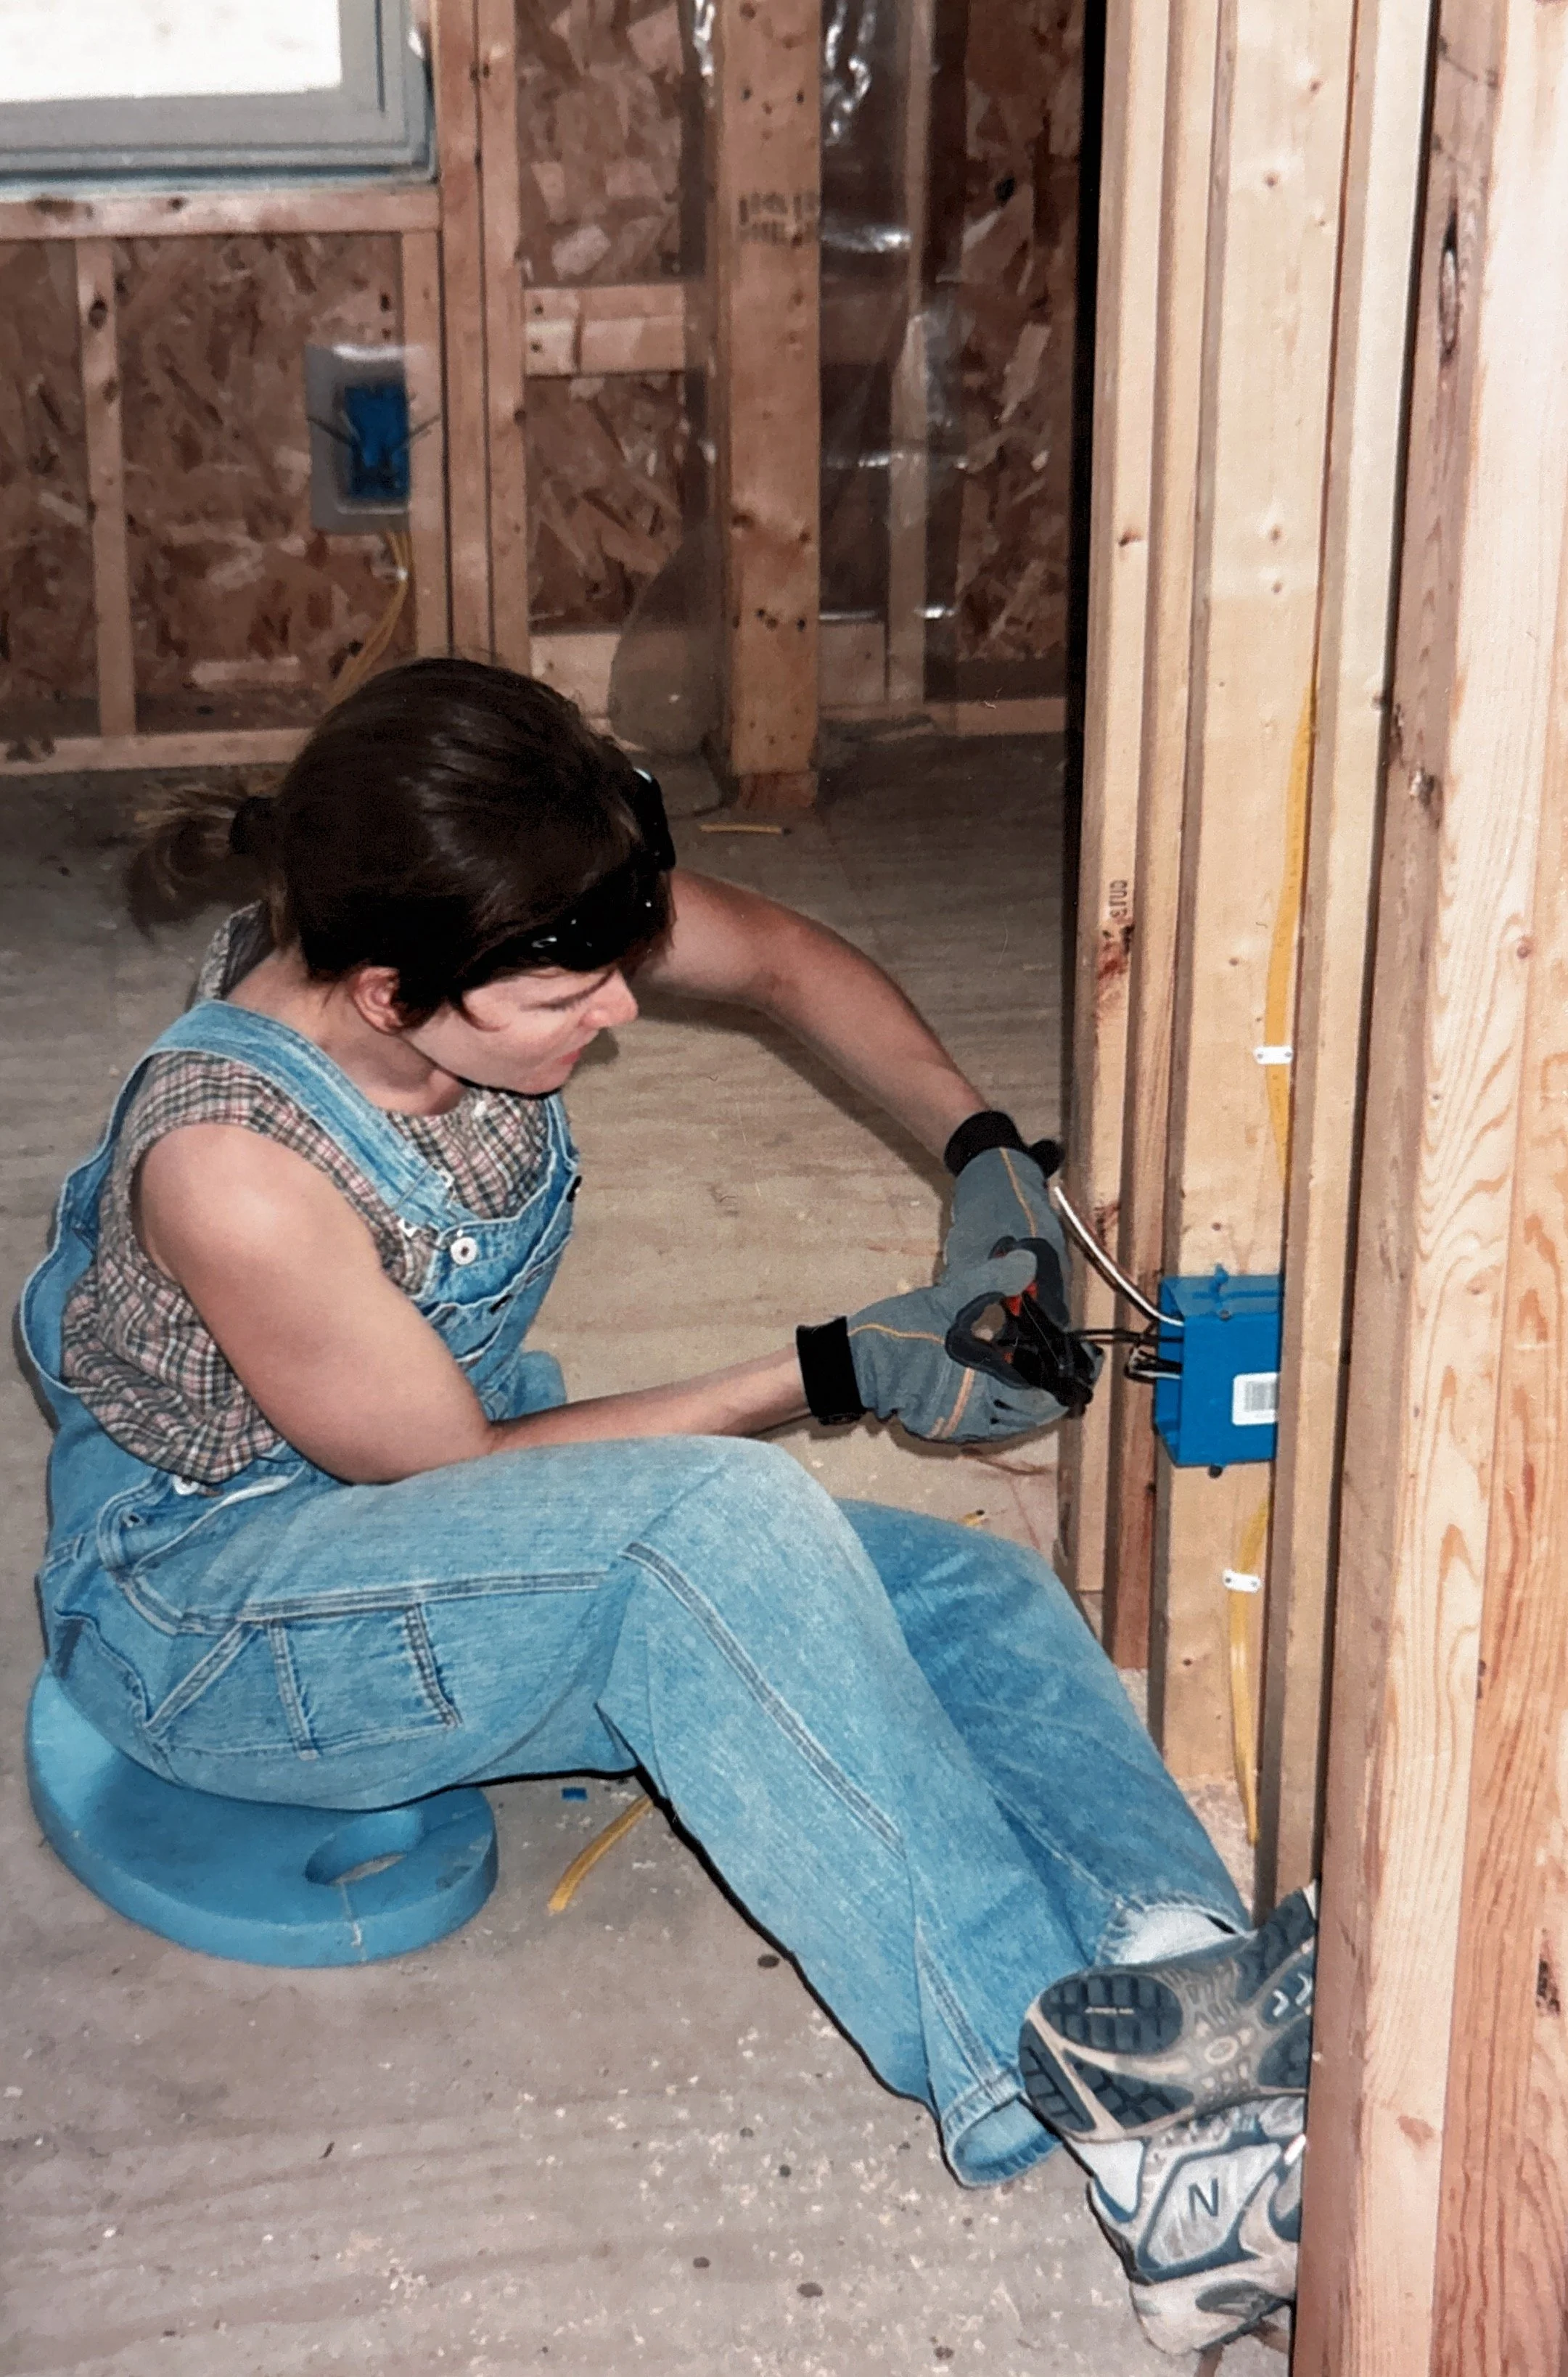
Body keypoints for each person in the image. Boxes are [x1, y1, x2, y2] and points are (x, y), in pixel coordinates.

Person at [21, 658, 1313, 2356]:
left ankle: (1185, 1987)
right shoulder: (233, 1157)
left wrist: (983, 1148)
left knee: (968, 1602)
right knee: (711, 1529)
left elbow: (776, 956)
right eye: (572, 996)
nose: (620, 1012)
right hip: (217, 1611)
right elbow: (452, 1474)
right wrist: (838, 1368)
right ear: (395, 994)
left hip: (415, 1519)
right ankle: (1135, 2145)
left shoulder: (499, 897)